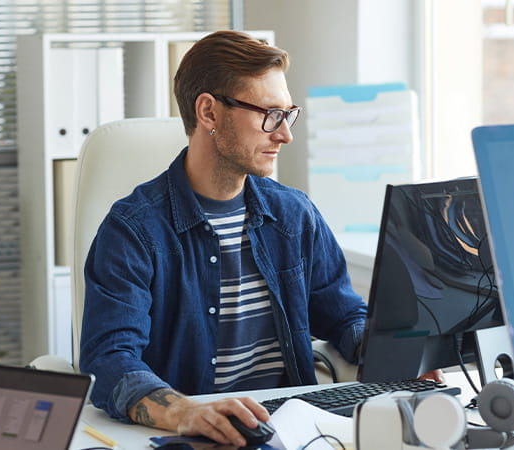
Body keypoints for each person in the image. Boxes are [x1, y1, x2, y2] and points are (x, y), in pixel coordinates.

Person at [78, 30, 368, 447]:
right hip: (190, 436)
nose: (284, 134)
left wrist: (405, 351)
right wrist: (184, 410)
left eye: (288, 115)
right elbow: (109, 361)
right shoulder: (134, 230)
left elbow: (342, 316)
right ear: (209, 113)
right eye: (270, 114)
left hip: (292, 431)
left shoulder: (294, 215)